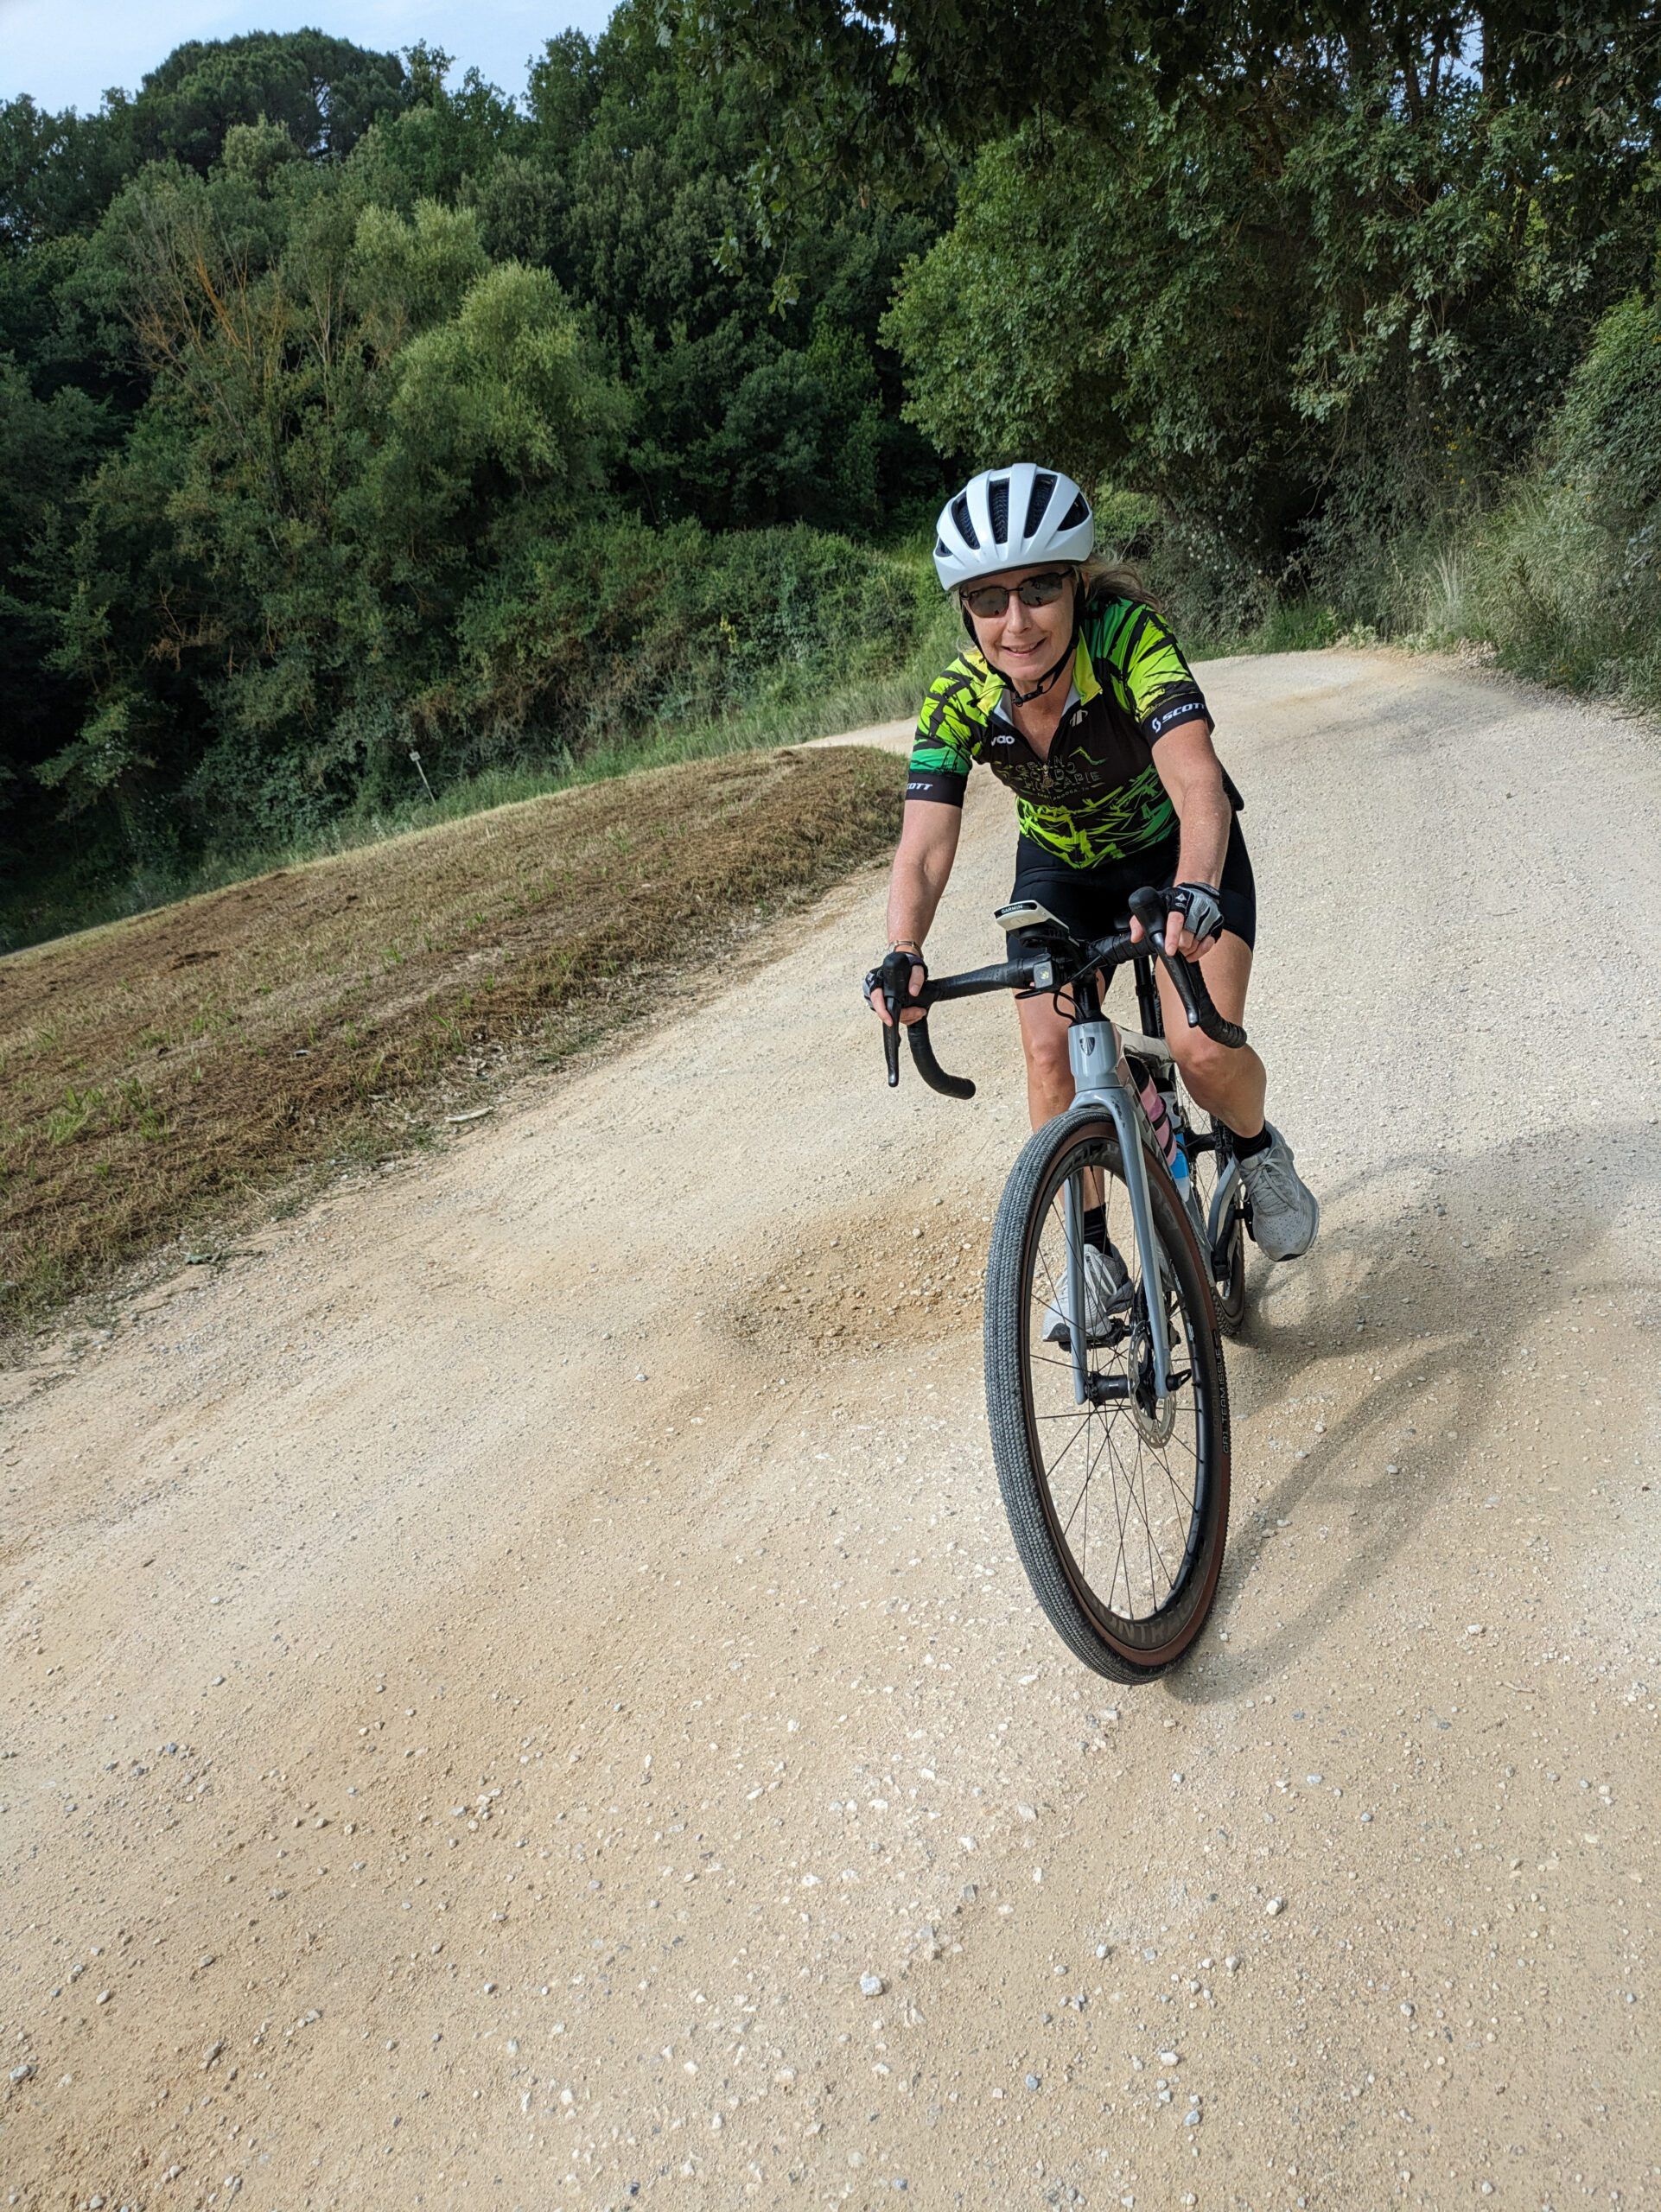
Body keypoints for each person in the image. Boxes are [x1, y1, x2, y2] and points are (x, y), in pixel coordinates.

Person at [866, 462, 1318, 1321]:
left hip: (1176, 853)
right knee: (1049, 1053)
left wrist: (1192, 890)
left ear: (1074, 582)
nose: (1015, 619)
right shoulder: (958, 698)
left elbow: (1195, 783)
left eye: (1038, 588)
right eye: (987, 598)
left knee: (1199, 1048)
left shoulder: (1125, 639)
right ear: (963, 609)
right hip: (1061, 873)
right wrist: (904, 951)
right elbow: (922, 847)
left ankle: (1255, 1150)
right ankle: (1090, 1253)